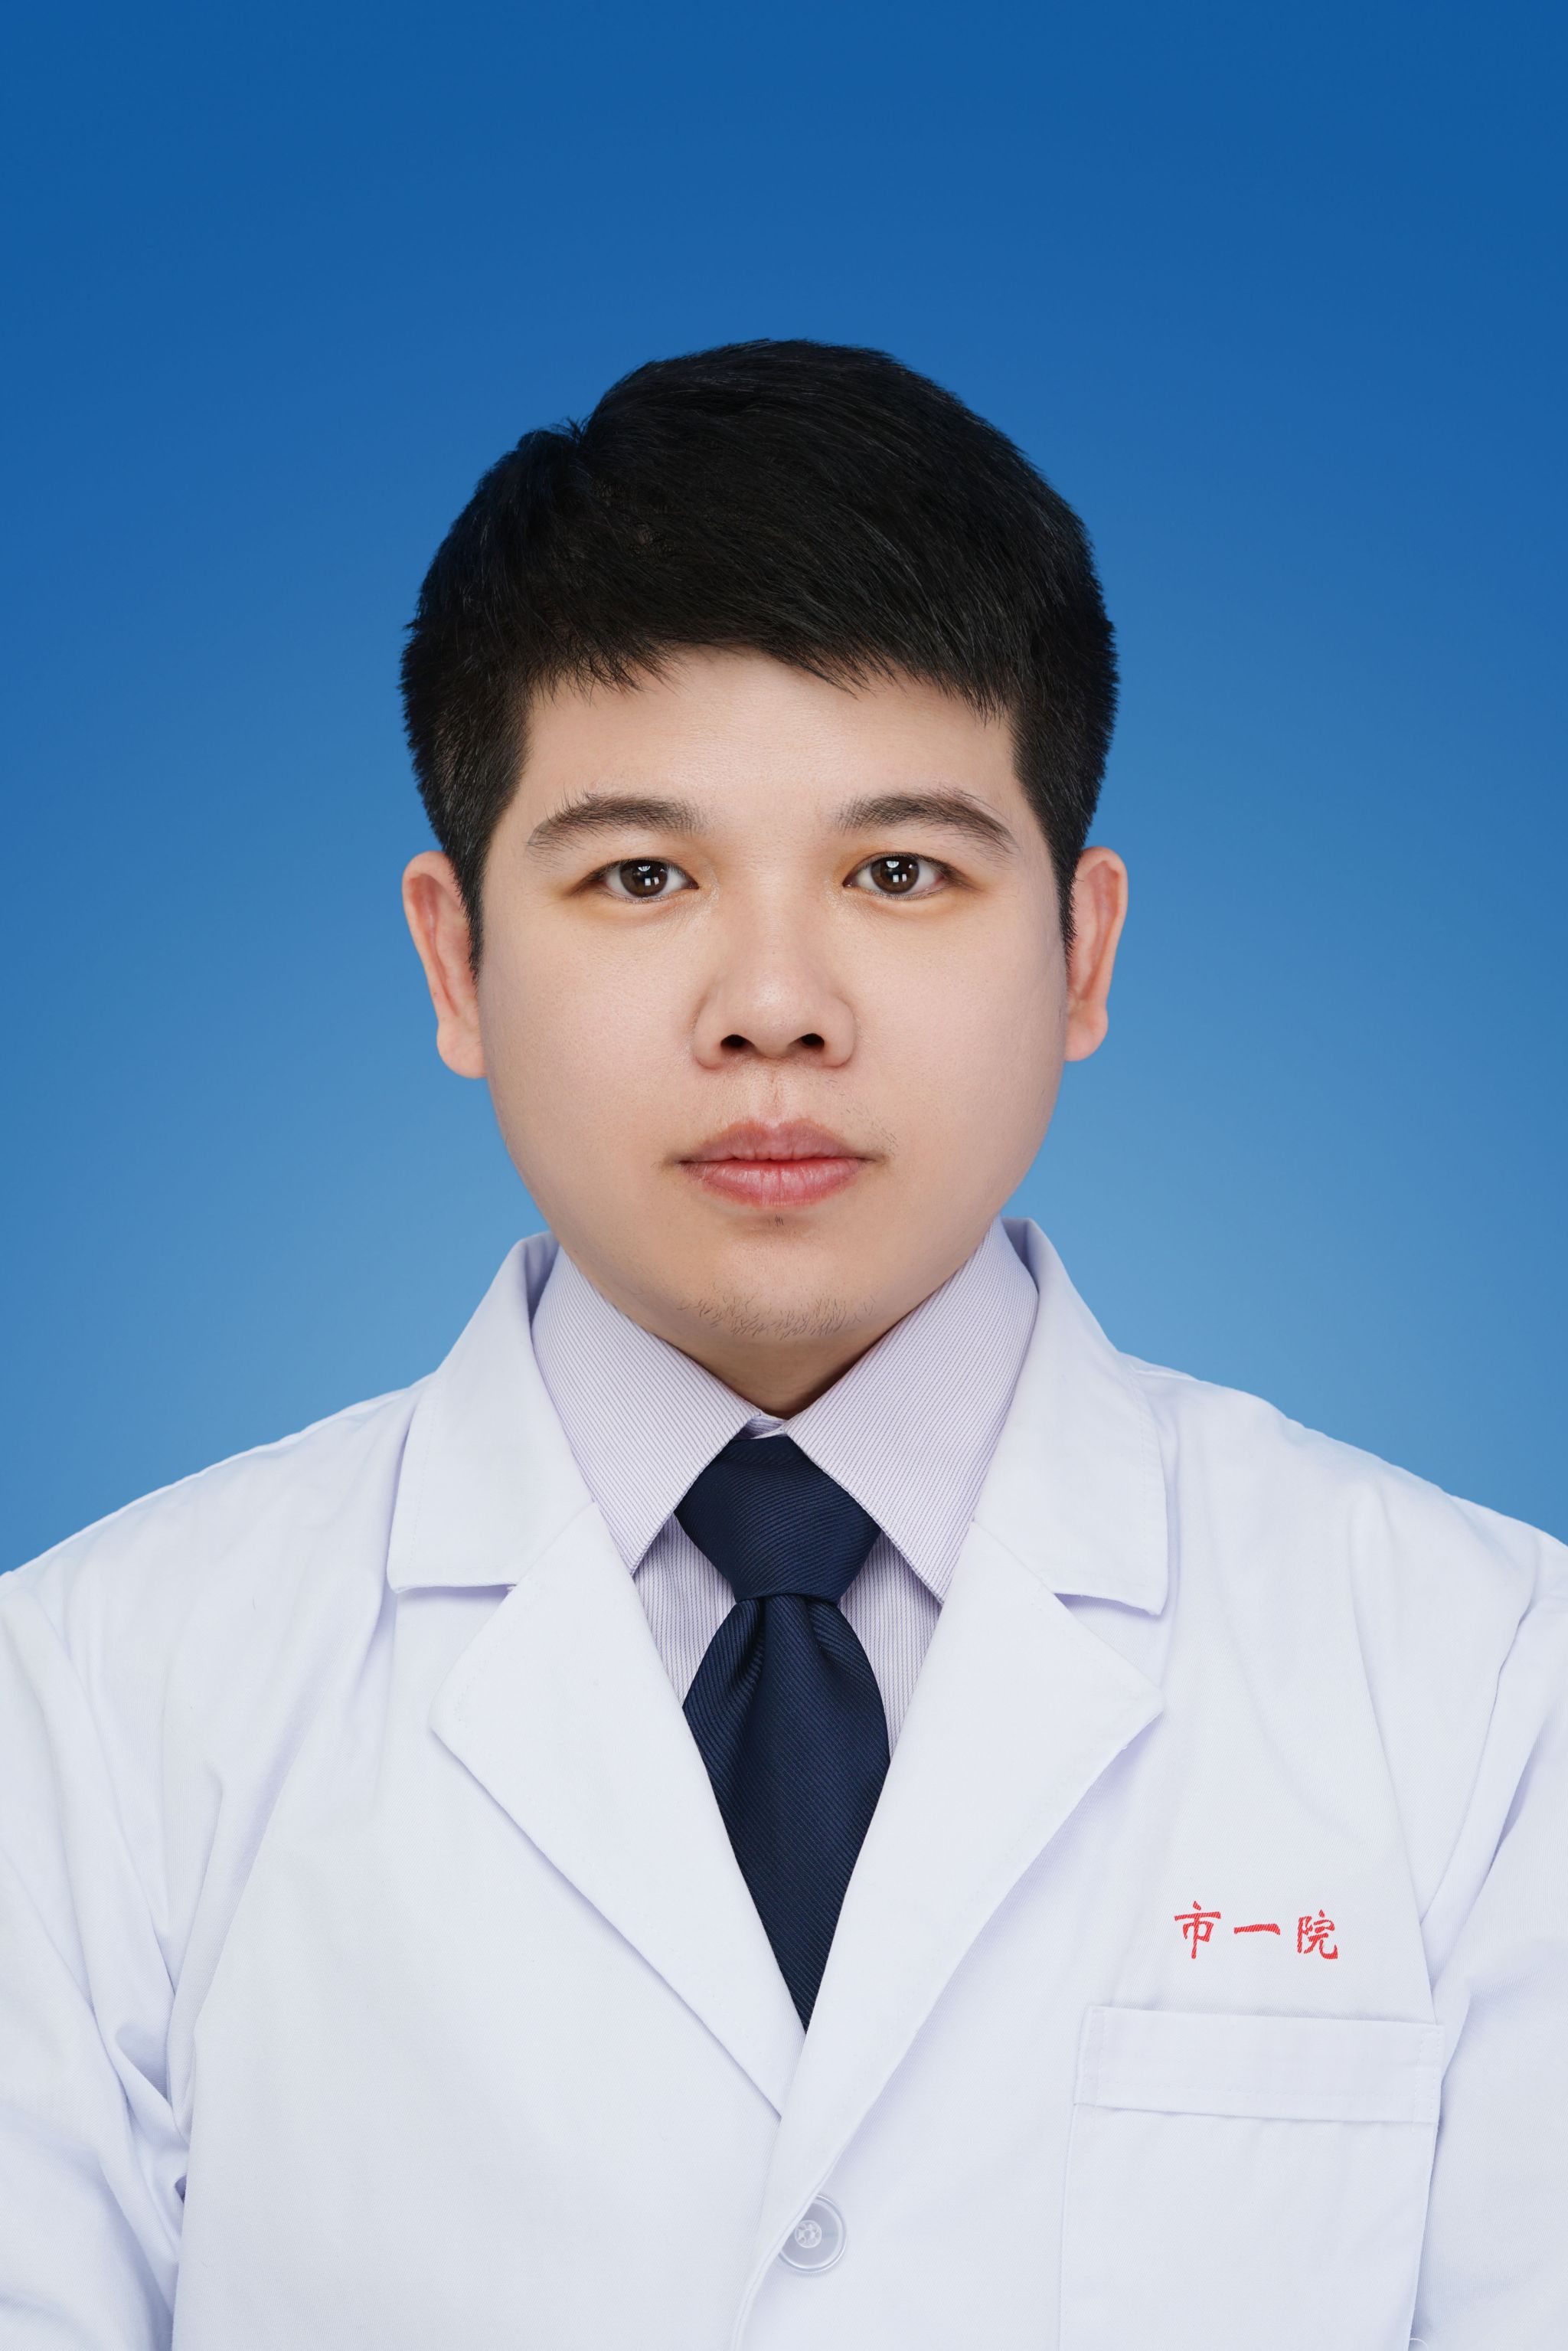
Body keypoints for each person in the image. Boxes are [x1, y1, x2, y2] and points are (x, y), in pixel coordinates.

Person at [0, 341, 1562, 2351]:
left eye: (900, 871)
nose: (773, 1004)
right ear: (456, 960)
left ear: (1082, 952)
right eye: (642, 875)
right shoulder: (89, 1703)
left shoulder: (1490, 1685)